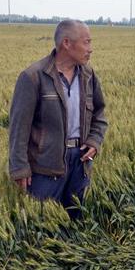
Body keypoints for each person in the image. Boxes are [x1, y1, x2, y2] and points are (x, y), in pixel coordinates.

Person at [8, 20, 108, 219]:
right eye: (86, 42)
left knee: (78, 221)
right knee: (44, 225)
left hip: (80, 162)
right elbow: (19, 127)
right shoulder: (34, 77)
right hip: (45, 166)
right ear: (66, 43)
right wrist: (19, 168)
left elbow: (99, 114)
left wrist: (95, 141)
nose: (91, 49)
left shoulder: (88, 75)